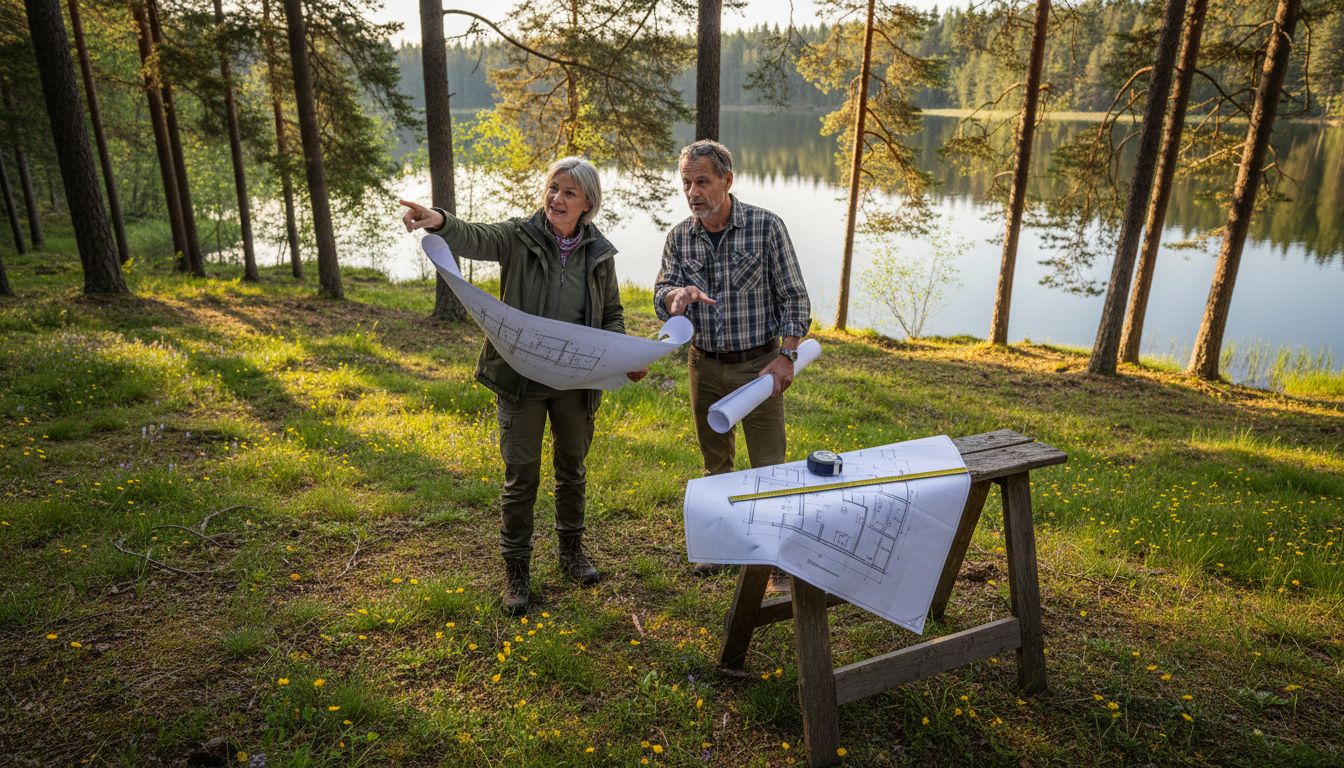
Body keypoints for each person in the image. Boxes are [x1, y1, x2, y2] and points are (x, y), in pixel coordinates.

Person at [400, 156, 646, 616]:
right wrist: (440, 221)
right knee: (521, 476)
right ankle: (516, 569)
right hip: (521, 381)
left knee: (572, 468)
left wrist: (624, 355)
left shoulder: (600, 253)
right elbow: (474, 237)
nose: (557, 198)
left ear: (587, 202)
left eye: (569, 192)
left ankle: (572, 552)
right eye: (553, 188)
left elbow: (611, 315)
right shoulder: (518, 235)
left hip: (577, 382)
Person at [653, 139, 812, 577]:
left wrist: (786, 357)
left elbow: (795, 299)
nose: (692, 192)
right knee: (716, 463)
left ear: (727, 180)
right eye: (686, 183)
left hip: (758, 367)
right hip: (703, 365)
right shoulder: (679, 237)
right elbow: (659, 293)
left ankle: (777, 562)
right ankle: (722, 544)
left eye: (702, 181)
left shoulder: (765, 227)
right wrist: (674, 298)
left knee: (769, 467)